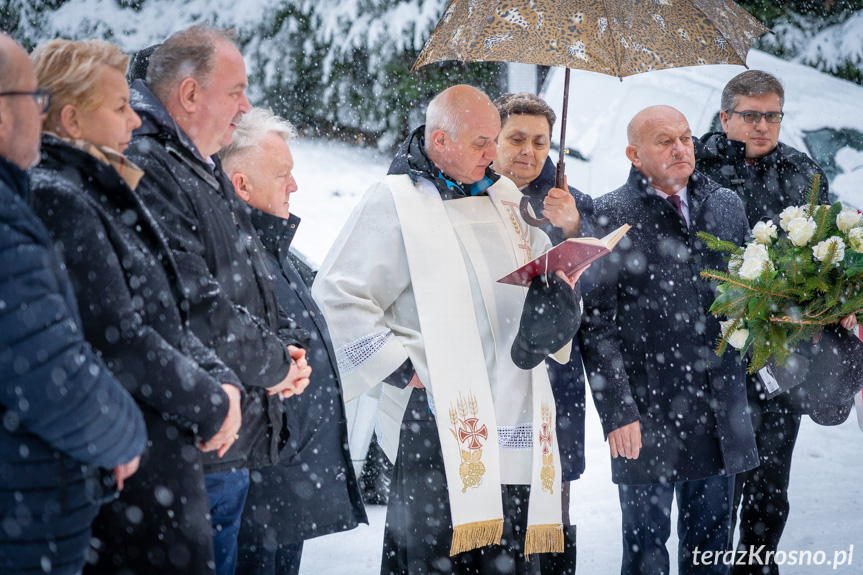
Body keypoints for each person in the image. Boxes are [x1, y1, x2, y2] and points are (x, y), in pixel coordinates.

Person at [312, 84, 586, 575]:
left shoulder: (504, 198)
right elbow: (338, 293)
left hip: (516, 407)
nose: (493, 153)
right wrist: (402, 371)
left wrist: (560, 272)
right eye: (483, 142)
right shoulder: (395, 201)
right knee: (437, 553)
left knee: (511, 552)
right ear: (441, 141)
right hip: (442, 417)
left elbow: (528, 285)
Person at [28, 38, 245, 574]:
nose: (134, 121)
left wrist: (225, 381)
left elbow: (164, 313)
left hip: (158, 466)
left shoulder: (101, 189)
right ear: (73, 120)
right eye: (121, 107)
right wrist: (212, 403)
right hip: (135, 472)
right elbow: (119, 338)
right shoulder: (61, 199)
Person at [125, 25, 311, 575]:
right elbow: (193, 303)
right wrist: (277, 364)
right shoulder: (153, 165)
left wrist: (285, 349)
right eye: (236, 91)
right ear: (189, 94)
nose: (246, 105)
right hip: (195, 439)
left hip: (225, 438)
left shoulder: (192, 165)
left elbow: (244, 282)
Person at [579, 105, 758, 575]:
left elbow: (750, 298)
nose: (681, 148)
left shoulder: (725, 204)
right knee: (644, 552)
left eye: (685, 137)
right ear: (633, 154)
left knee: (711, 550)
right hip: (647, 411)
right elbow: (597, 325)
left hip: (721, 407)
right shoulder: (611, 213)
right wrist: (617, 411)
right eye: (664, 141)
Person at [695, 70, 862, 575]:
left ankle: (757, 565)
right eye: (750, 115)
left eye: (772, 115)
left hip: (784, 351)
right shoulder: (695, 168)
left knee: (770, 479)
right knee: (715, 482)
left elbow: (825, 254)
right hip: (712, 348)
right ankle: (708, 564)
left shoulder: (802, 170)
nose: (762, 125)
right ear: (725, 117)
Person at [0, 32, 146, 575]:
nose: (37, 115)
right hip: (25, 523)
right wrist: (126, 435)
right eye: (29, 101)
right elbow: (50, 371)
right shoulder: (27, 213)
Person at [219, 108, 367, 574]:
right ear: (241, 185)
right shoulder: (231, 254)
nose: (294, 186)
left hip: (285, 488)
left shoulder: (266, 244)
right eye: (283, 175)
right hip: (259, 491)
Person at [491, 92, 601, 566]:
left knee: (554, 498)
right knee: (493, 501)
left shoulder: (573, 202)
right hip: (494, 372)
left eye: (540, 141)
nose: (529, 152)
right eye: (516, 138)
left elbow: (600, 295)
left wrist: (573, 227)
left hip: (556, 378)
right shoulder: (468, 196)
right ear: (491, 138)